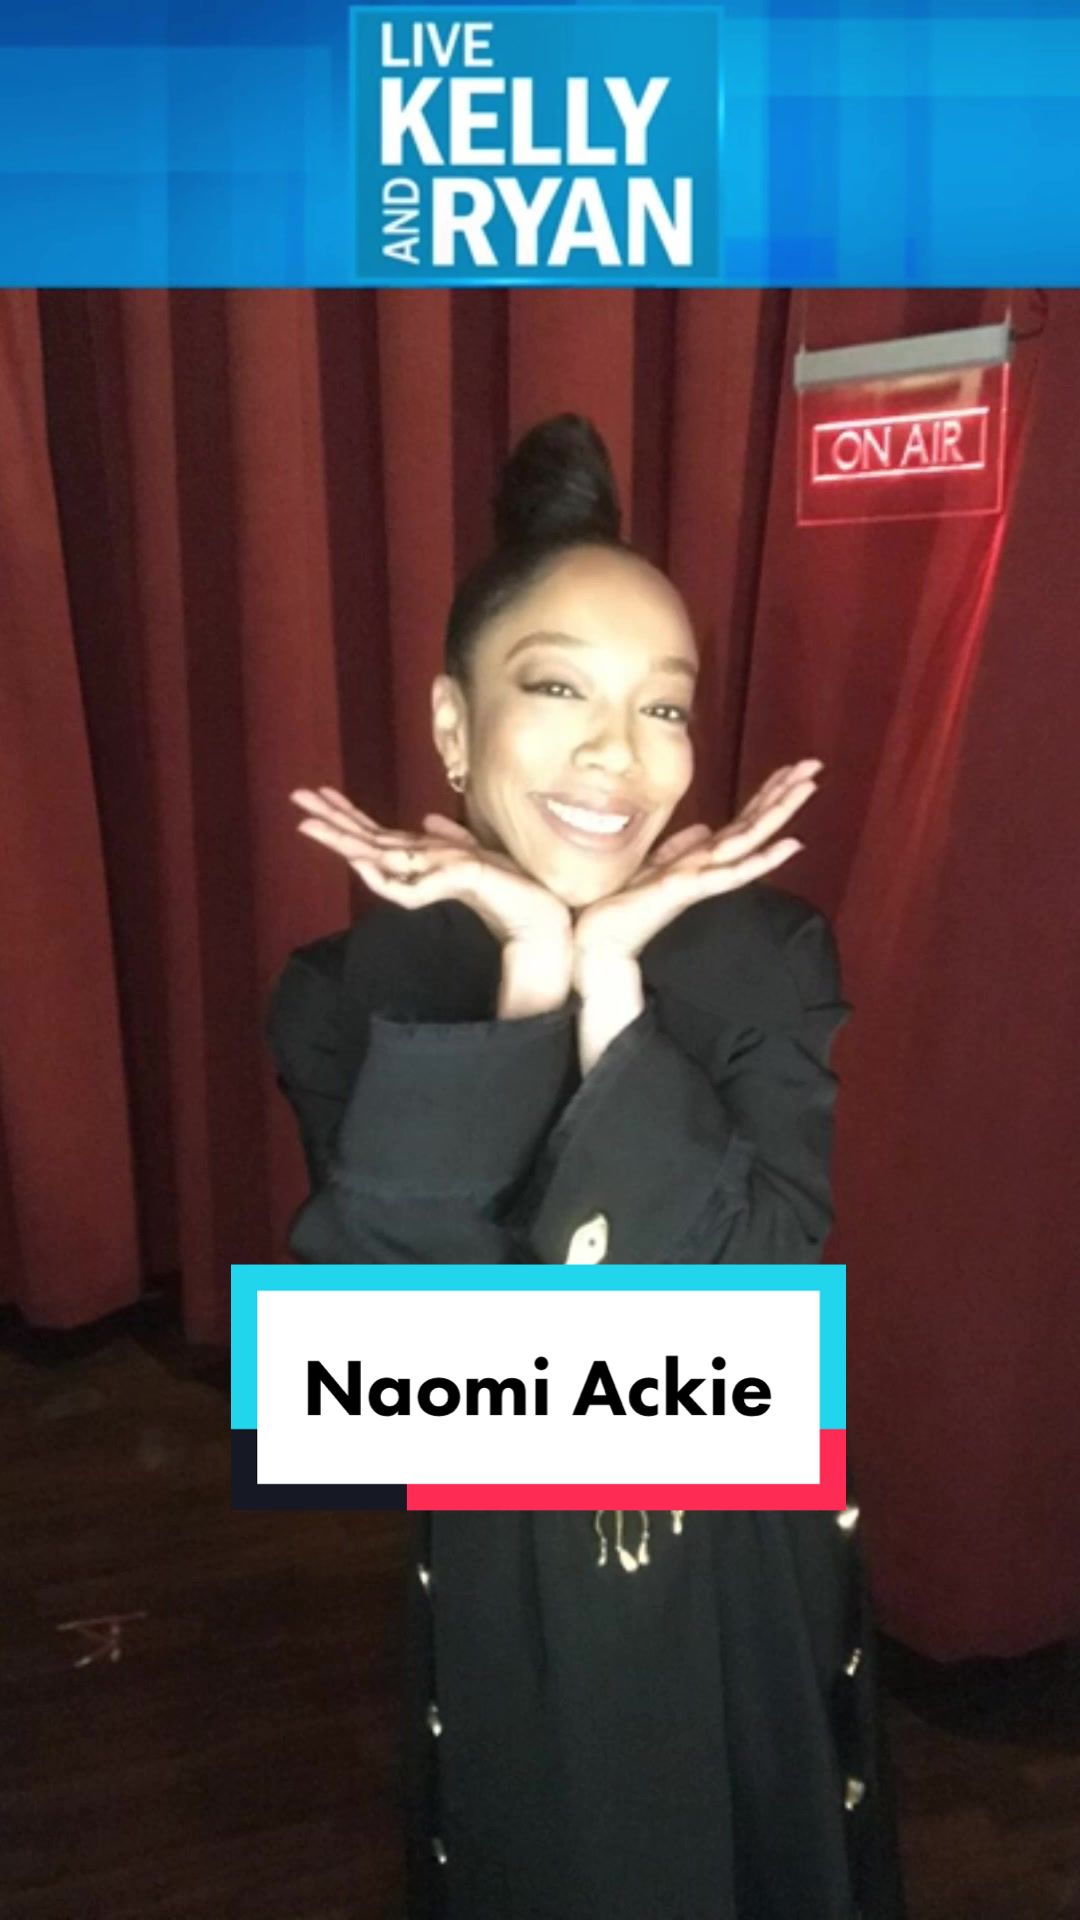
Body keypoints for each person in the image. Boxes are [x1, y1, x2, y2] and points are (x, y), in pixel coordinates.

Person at [266, 415, 907, 1919]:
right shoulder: (349, 993)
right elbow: (371, 1388)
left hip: (745, 1580)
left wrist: (615, 988)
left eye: (663, 706)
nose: (619, 755)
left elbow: (768, 1335)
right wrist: (532, 979)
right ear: (451, 725)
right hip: (510, 1583)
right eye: (558, 688)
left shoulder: (767, 958)